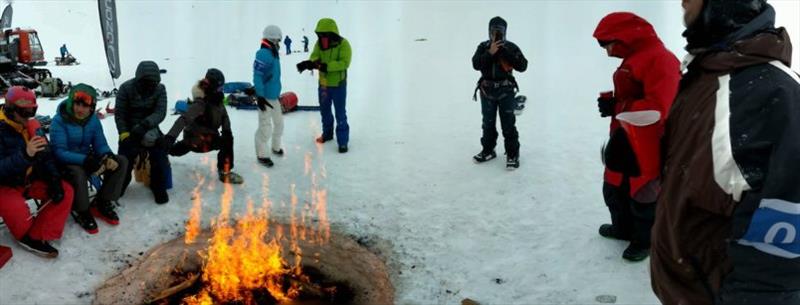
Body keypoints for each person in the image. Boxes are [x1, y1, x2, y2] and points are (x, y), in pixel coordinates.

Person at [651, 1, 800, 304]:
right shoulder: (705, 74)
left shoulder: (771, 94)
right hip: (687, 286)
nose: (682, 0)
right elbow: (707, 172)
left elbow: (778, 267)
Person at [591, 12, 680, 261]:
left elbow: (660, 106)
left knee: (643, 194)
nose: (608, 52)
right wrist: (614, 105)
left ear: (625, 36)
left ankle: (644, 241)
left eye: (607, 43)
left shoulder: (661, 59)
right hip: (625, 139)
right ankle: (622, 229)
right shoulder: (637, 58)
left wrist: (619, 107)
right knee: (614, 188)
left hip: (648, 145)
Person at [0, 86, 74, 258]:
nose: (29, 117)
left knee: (66, 190)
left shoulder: (32, 125)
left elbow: (46, 156)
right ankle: (26, 233)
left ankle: (37, 235)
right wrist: (25, 155)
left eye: (32, 111)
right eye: (24, 112)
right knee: (19, 219)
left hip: (28, 179)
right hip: (4, 185)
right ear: (10, 109)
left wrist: (54, 179)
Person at [50, 84, 128, 233]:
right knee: (78, 173)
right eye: (77, 104)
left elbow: (100, 144)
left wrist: (107, 156)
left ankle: (102, 202)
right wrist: (86, 160)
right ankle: (83, 211)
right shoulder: (59, 121)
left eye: (86, 106)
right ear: (71, 103)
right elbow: (59, 152)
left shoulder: (93, 120)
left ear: (92, 108)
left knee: (120, 162)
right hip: (65, 163)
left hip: (88, 159)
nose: (81, 110)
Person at [163, 69, 243, 184]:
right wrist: (170, 137)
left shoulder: (217, 98)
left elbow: (224, 116)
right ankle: (162, 149)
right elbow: (183, 119)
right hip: (195, 140)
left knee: (227, 140)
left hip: (209, 137)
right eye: (219, 88)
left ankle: (225, 172)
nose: (221, 90)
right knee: (175, 149)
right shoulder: (200, 103)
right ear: (212, 87)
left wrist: (227, 131)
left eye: (222, 88)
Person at [471, 16, 527, 169]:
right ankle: (488, 150)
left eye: (500, 31)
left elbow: (523, 66)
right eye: (494, 31)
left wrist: (505, 52)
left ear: (505, 31)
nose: (496, 34)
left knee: (508, 124)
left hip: (506, 91)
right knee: (487, 123)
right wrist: (490, 52)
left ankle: (512, 154)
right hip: (487, 91)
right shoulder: (483, 47)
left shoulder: (511, 47)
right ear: (489, 31)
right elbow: (476, 64)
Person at [115, 60, 170, 204]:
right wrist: (124, 134)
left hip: (150, 128)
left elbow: (160, 112)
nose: (150, 85)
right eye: (146, 82)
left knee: (159, 155)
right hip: (129, 130)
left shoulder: (160, 89)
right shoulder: (125, 88)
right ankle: (119, 185)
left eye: (153, 82)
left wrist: (145, 125)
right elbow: (120, 115)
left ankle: (158, 186)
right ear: (138, 79)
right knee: (125, 158)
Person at [297, 18, 352, 153]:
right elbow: (315, 56)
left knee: (340, 113)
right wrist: (310, 63)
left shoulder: (344, 44)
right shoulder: (319, 44)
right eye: (320, 35)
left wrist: (326, 66)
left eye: (325, 35)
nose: (322, 38)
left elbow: (344, 63)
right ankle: (327, 134)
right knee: (325, 111)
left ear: (332, 34)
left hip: (339, 85)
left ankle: (343, 141)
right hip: (324, 85)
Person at [253, 25, 285, 168]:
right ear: (272, 39)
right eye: (278, 40)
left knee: (279, 124)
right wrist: (260, 96)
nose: (279, 43)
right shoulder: (263, 54)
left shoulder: (273, 53)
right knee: (265, 128)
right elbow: (257, 76)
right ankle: (262, 154)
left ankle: (275, 147)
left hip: (274, 96)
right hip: (265, 97)